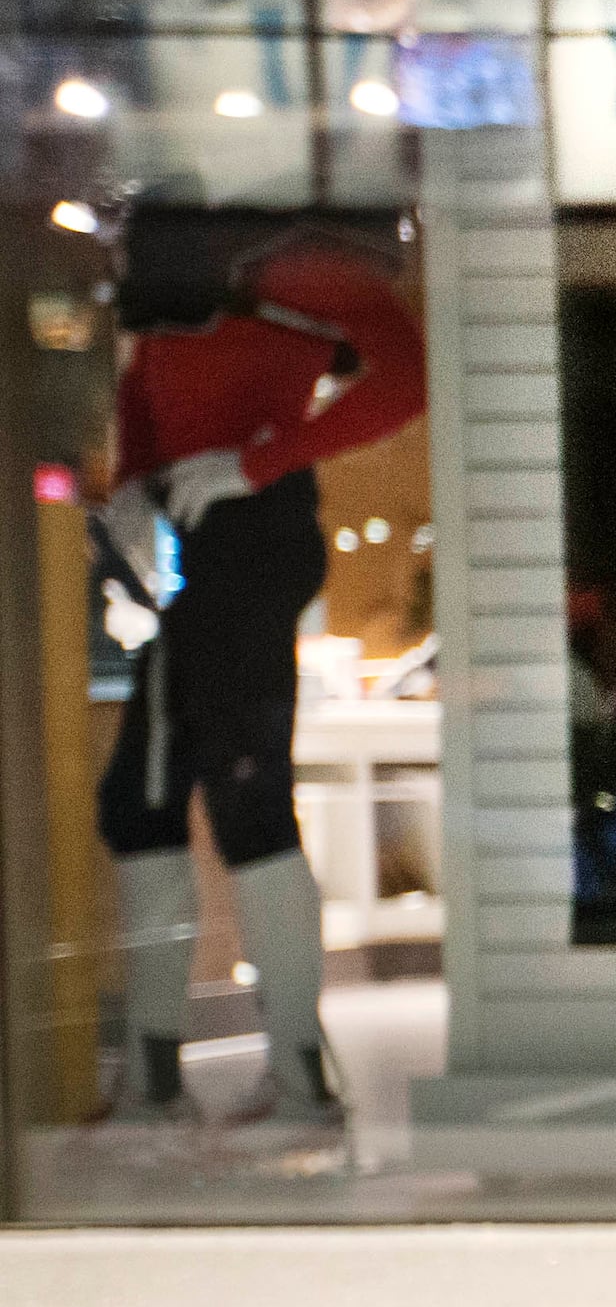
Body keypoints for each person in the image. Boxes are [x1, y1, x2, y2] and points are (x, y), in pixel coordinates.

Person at [89, 215, 424, 1134]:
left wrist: (260, 460)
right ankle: (207, 1077)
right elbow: (146, 406)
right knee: (148, 800)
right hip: (189, 545)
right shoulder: (174, 267)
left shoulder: (287, 261)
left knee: (234, 801)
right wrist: (129, 490)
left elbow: (406, 382)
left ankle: (286, 1076)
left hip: (243, 538)